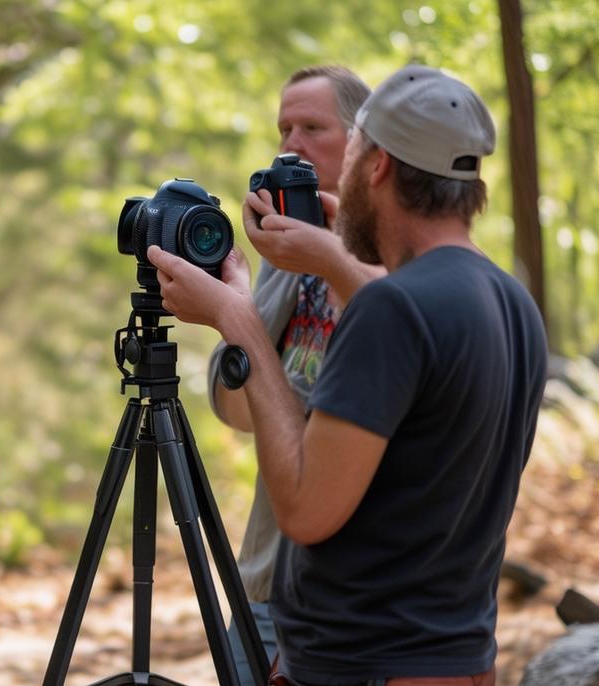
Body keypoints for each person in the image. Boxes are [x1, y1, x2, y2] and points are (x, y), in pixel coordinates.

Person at [153, 65, 547, 684]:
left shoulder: (393, 308)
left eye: (344, 145)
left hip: (363, 662)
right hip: (459, 654)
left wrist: (239, 320)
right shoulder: (511, 301)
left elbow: (307, 511)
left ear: (378, 166)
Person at [210, 65, 380, 677]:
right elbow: (231, 406)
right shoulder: (286, 258)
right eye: (284, 127)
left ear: (364, 143)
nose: (292, 143)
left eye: (312, 126)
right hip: (266, 574)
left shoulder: (395, 266)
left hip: (351, 589)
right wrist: (271, 273)